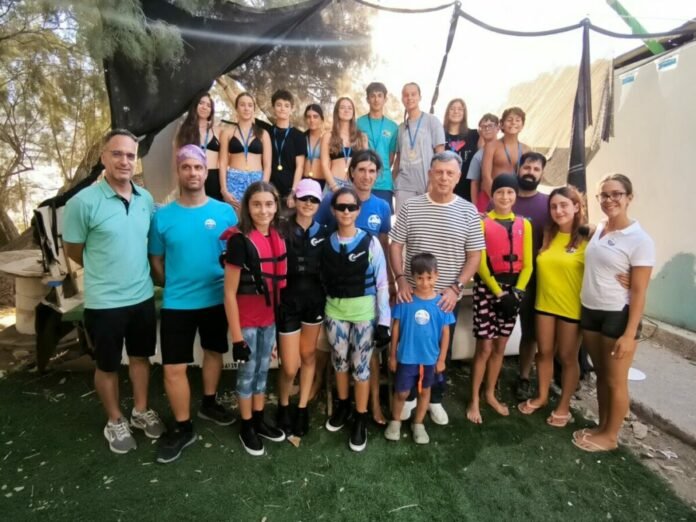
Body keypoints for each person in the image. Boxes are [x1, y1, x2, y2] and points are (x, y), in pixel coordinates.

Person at [63, 129, 164, 454]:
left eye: (130, 155)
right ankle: (115, 419)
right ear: (103, 157)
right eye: (117, 153)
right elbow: (74, 250)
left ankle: (140, 410)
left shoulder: (145, 199)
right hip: (104, 302)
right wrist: (104, 267)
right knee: (107, 365)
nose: (124, 161)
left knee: (140, 357)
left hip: (142, 297)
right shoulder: (82, 203)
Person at [148, 145, 238, 463]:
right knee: (174, 367)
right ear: (179, 171)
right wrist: (174, 283)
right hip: (177, 303)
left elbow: (234, 257)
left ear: (205, 171)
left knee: (214, 352)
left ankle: (209, 403)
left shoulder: (225, 213)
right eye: (186, 167)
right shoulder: (162, 217)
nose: (193, 172)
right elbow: (156, 261)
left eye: (198, 167)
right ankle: (183, 426)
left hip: (216, 299)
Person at [390, 150, 484, 425]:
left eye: (450, 173)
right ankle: (408, 397)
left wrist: (456, 287)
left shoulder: (468, 211)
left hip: (445, 299)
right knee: (407, 347)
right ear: (430, 174)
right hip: (411, 296)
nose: (444, 177)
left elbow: (474, 256)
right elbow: (395, 245)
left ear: (458, 177)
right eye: (439, 172)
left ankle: (435, 398)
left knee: (442, 350)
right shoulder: (411, 206)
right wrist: (400, 278)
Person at [573, 174, 654, 452]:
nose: (610, 200)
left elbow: (640, 291)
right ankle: (602, 426)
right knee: (601, 375)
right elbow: (587, 232)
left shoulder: (639, 239)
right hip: (590, 311)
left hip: (617, 315)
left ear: (629, 197)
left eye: (616, 194)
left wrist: (629, 334)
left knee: (615, 380)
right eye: (604, 195)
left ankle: (610, 436)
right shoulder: (600, 229)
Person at [313, 149, 392, 424]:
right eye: (361, 170)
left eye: (372, 171)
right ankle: (343, 406)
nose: (346, 212)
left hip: (366, 303)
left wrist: (384, 317)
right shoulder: (330, 208)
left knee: (365, 363)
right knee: (340, 360)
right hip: (336, 305)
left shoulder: (381, 210)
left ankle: (367, 411)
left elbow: (383, 263)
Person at [223, 181, 288, 456]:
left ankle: (259, 419)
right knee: (247, 374)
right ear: (247, 207)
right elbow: (229, 293)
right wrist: (237, 338)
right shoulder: (239, 241)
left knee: (263, 371)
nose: (264, 210)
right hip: (246, 321)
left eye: (269, 204)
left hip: (268, 319)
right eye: (257, 204)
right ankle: (246, 425)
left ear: (276, 206)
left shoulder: (277, 235)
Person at [517, 186, 587, 427]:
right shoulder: (548, 234)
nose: (559, 211)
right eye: (554, 206)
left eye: (564, 205)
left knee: (567, 357)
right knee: (544, 352)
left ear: (576, 207)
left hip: (571, 309)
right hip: (544, 304)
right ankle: (542, 396)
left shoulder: (588, 238)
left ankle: (564, 406)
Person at [467, 174, 533, 424]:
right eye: (500, 192)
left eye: (510, 192)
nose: (505, 197)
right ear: (492, 195)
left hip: (514, 292)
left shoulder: (524, 224)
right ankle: (474, 399)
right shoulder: (482, 223)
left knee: (500, 347)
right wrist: (498, 292)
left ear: (516, 195)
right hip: (488, 290)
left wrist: (517, 292)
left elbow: (528, 264)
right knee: (484, 347)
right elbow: (480, 262)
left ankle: (490, 394)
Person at [275, 179, 329, 437]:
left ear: (319, 203)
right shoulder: (281, 229)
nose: (308, 203)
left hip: (314, 302)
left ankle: (302, 407)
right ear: (294, 200)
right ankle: (283, 404)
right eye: (304, 198)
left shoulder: (325, 232)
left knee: (308, 356)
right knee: (289, 366)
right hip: (287, 302)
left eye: (314, 199)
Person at [385, 253, 455, 444]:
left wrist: (441, 359)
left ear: (437, 276)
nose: (425, 283)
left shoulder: (442, 304)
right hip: (406, 358)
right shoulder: (405, 300)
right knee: (401, 392)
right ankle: (395, 421)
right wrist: (392, 356)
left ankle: (418, 424)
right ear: (413, 277)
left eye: (429, 277)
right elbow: (396, 328)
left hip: (429, 360)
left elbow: (446, 333)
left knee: (425, 392)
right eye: (420, 278)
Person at [511, 152, 550, 400]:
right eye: (527, 167)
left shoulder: (548, 204)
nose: (531, 172)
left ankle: (524, 377)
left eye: (536, 169)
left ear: (542, 173)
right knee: (496, 334)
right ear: (519, 168)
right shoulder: (504, 197)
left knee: (530, 333)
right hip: (503, 279)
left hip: (536, 281)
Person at [393, 82, 446, 213]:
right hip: (404, 185)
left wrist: (434, 182)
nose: (409, 98)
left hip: (426, 183)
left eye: (413, 94)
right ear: (402, 99)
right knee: (404, 222)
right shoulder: (401, 128)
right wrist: (392, 182)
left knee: (425, 223)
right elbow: (398, 159)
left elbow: (441, 156)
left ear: (420, 97)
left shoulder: (432, 121)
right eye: (406, 95)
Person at [219, 92, 272, 212]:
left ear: (254, 109)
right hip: (234, 179)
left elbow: (268, 165)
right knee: (236, 218)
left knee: (255, 217)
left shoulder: (263, 134)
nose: (246, 108)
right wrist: (224, 189)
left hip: (256, 180)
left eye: (250, 105)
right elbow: (222, 162)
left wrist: (263, 187)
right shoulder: (227, 132)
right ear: (236, 108)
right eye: (242, 105)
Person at [174, 92, 224, 201]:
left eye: (208, 105)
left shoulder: (218, 130)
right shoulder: (184, 130)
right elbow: (176, 158)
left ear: (211, 110)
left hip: (213, 177)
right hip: (192, 175)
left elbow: (224, 160)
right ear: (195, 106)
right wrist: (178, 183)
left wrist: (224, 187)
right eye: (201, 103)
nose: (204, 107)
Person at [479, 107, 531, 213]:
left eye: (517, 120)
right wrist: (495, 200)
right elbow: (486, 177)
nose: (513, 123)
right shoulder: (491, 146)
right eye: (509, 120)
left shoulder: (526, 149)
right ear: (502, 124)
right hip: (490, 197)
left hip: (513, 200)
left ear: (522, 126)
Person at [356, 82, 399, 211]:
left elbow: (391, 158)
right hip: (362, 180)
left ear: (385, 99)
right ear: (367, 99)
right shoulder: (358, 123)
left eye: (380, 96)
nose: (376, 99)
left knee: (382, 219)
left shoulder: (393, 127)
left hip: (384, 183)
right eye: (373, 96)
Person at [320, 97, 367, 192]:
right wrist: (334, 186)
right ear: (337, 111)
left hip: (354, 185)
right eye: (342, 107)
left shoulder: (362, 137)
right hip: (333, 183)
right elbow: (324, 164)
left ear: (353, 112)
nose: (346, 110)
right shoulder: (328, 136)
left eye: (350, 108)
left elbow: (366, 163)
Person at [269, 89, 306, 206]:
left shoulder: (299, 136)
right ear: (273, 108)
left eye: (286, 105)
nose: (282, 109)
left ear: (292, 109)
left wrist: (293, 192)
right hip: (269, 189)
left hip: (289, 191)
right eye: (279, 105)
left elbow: (300, 166)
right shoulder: (267, 132)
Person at [443, 98, 480, 203]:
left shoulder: (474, 135)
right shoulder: (439, 134)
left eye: (460, 109)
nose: (456, 111)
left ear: (464, 113)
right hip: (444, 187)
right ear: (447, 112)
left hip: (467, 190)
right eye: (452, 108)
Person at [467, 113, 500, 209]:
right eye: (483, 126)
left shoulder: (505, 149)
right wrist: (475, 207)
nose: (487, 129)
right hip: (485, 200)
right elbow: (474, 183)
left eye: (490, 125)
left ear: (498, 128)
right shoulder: (478, 156)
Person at [303, 104, 326, 190]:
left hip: (321, 183)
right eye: (309, 117)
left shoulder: (327, 139)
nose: (312, 120)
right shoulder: (301, 138)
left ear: (322, 119)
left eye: (315, 117)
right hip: (303, 182)